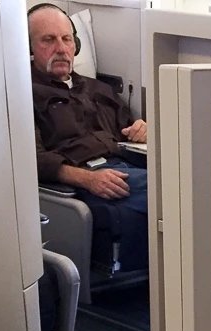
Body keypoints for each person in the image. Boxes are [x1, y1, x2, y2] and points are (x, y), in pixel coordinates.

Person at [28, 4, 149, 267]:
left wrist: (143, 128)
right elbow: (31, 160)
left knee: (191, 182)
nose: (61, 48)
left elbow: (131, 127)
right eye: (48, 40)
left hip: (125, 166)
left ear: (77, 45)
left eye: (67, 39)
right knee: (178, 193)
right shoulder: (24, 95)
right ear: (29, 48)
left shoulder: (98, 89)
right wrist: (88, 179)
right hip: (82, 180)